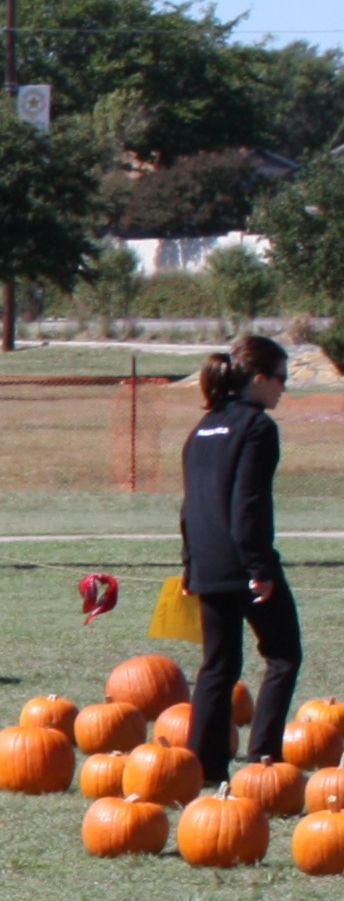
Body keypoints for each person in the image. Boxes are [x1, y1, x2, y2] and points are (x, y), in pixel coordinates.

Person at [183, 333, 299, 780]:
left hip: (207, 563)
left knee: (219, 664)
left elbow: (192, 505)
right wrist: (259, 567)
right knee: (284, 655)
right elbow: (247, 504)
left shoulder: (203, 428)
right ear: (258, 378)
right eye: (280, 379)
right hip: (242, 562)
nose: (283, 389)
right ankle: (263, 759)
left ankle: (202, 765)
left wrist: (190, 564)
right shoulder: (257, 427)